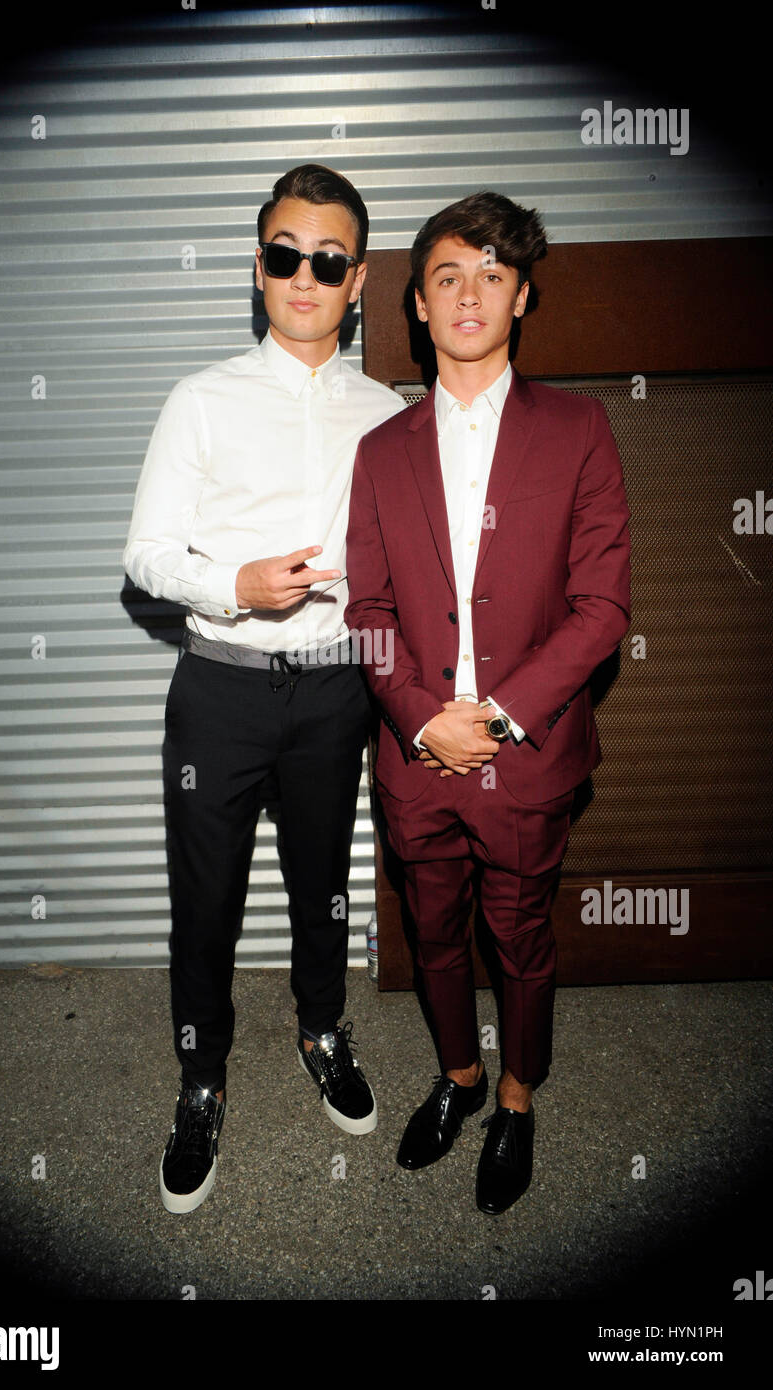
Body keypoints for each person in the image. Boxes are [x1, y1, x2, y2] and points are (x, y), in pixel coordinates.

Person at [124, 164, 406, 1213]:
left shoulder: (387, 415)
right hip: (221, 690)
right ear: (257, 267)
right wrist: (231, 586)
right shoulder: (198, 401)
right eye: (284, 253)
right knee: (204, 904)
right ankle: (201, 1081)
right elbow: (146, 555)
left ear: (358, 280)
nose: (304, 275)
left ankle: (322, 1029)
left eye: (327, 260)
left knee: (324, 883)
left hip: (336, 692)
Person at [345, 190, 631, 1213]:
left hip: (528, 751)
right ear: (417, 304)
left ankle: (515, 1098)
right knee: (431, 932)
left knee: (519, 936)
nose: (470, 294)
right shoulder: (380, 450)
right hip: (415, 752)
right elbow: (366, 611)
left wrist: (496, 716)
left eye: (492, 274)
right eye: (447, 276)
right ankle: (459, 1078)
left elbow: (600, 610)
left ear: (522, 295)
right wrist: (426, 718)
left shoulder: (580, 428)